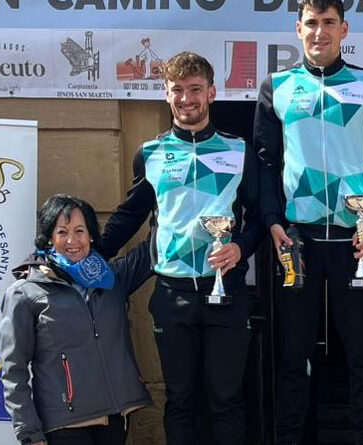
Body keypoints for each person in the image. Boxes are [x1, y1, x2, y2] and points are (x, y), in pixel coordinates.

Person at [97, 52, 263, 445]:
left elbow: (260, 216)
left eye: (195, 90)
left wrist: (240, 247)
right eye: (178, 91)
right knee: (180, 400)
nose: (186, 99)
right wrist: (89, 256)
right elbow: (129, 215)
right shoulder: (150, 153)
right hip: (172, 294)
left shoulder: (239, 151)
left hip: (226, 292)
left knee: (227, 400)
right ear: (165, 94)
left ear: (212, 92)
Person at [253, 0, 363, 443]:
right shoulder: (276, 85)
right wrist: (274, 222)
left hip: (357, 241)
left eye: (329, 23)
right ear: (298, 29)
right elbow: (263, 163)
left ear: (344, 29)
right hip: (297, 240)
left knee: (361, 356)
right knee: (294, 356)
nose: (320, 32)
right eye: (312, 23)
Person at [0, 194, 152, 445]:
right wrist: (28, 432)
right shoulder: (24, 293)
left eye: (80, 231)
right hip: (63, 424)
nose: (72, 241)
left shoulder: (112, 279)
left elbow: (155, 248)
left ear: (91, 235)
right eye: (62, 232)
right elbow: (13, 369)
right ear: (49, 237)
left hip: (115, 417)